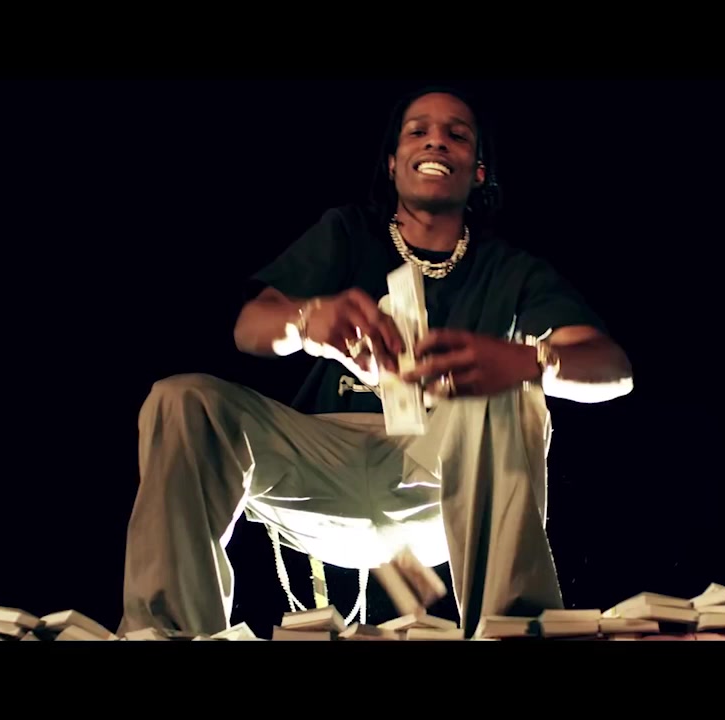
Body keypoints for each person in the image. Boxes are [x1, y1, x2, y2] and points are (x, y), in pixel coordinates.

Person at [119, 85, 634, 639]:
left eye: (457, 134)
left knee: (509, 391)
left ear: (479, 172)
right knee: (183, 399)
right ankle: (167, 633)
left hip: (438, 478)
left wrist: (527, 359)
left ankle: (512, 630)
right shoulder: (348, 233)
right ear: (393, 163)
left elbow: (613, 370)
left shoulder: (511, 270)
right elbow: (250, 327)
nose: (436, 140)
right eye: (418, 131)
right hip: (321, 464)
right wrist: (308, 322)